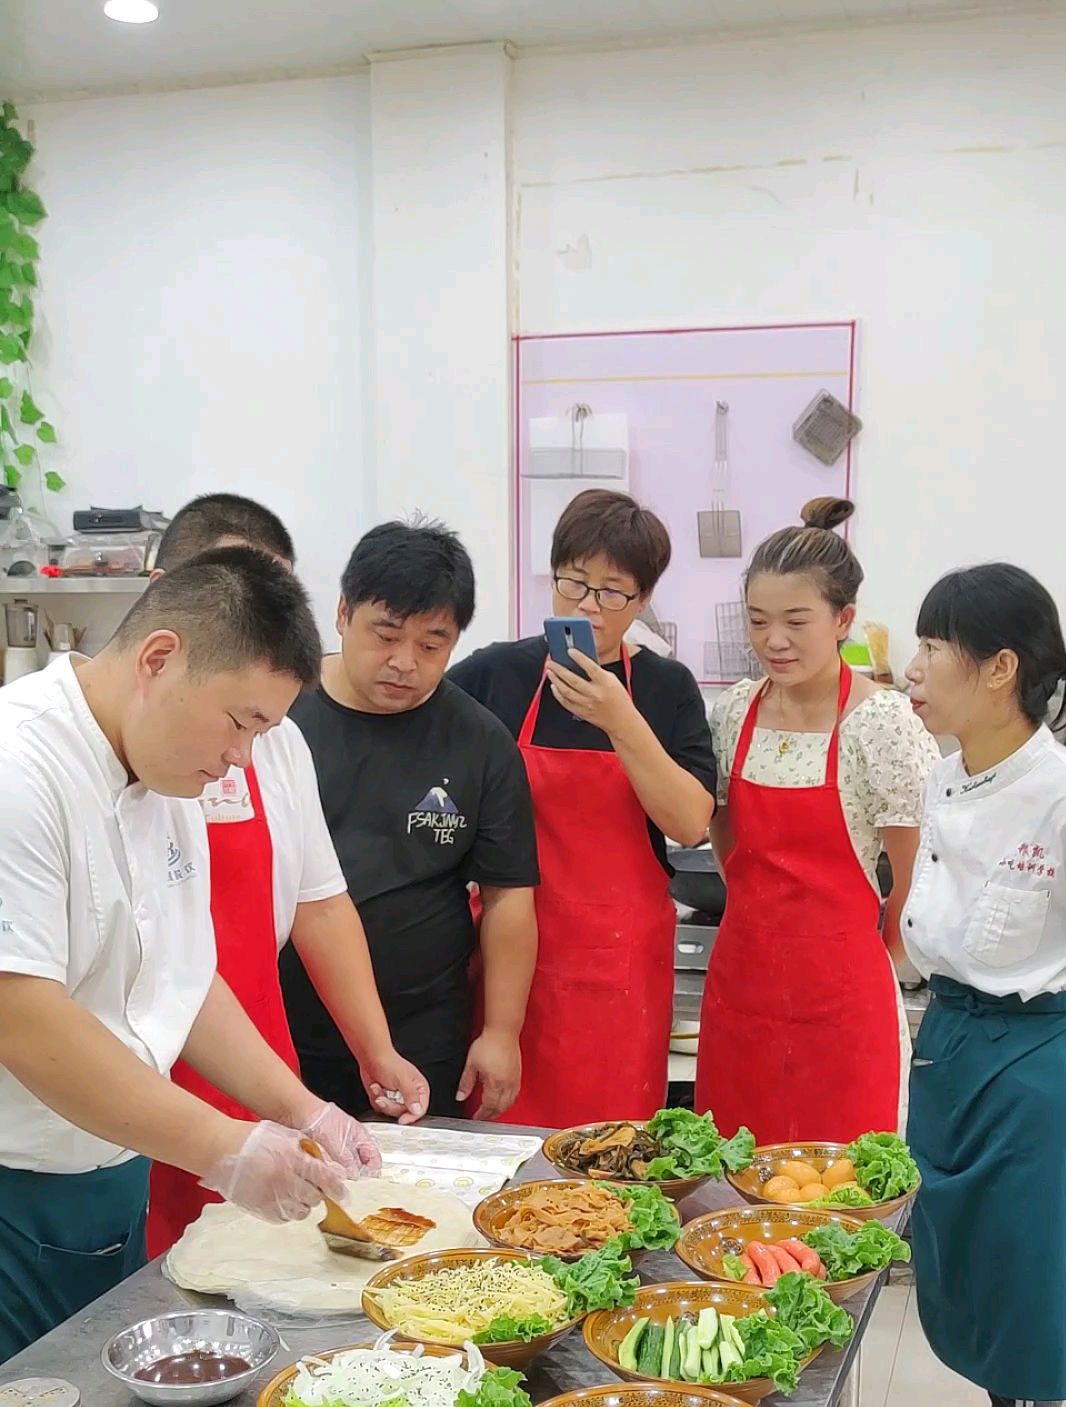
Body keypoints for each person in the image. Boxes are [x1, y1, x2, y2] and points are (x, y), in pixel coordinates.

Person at [0, 549, 378, 1365]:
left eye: (264, 733)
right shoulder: (18, 765)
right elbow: (22, 1018)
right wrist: (223, 1148)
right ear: (159, 659)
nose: (242, 759)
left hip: (111, 1169)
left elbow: (184, 977)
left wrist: (301, 1110)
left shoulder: (168, 777)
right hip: (14, 1191)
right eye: (240, 722)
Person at [144, 493, 427, 1260]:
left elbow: (320, 906)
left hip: (248, 1050)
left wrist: (373, 1052)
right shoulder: (111, 750)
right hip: (130, 1075)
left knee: (264, 1268)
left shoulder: (276, 743)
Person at [901, 563, 1066, 1407]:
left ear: (1000, 668)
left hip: (1041, 1054)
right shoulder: (949, 771)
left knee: (1027, 1302)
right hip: (956, 1041)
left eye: (934, 647)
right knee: (976, 1280)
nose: (913, 667)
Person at [449, 489, 715, 1126]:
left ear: (644, 599)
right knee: (505, 1165)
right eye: (574, 584)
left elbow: (689, 821)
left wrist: (620, 719)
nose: (589, 607)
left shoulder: (665, 687)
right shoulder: (496, 675)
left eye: (612, 592)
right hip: (509, 969)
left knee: (611, 1160)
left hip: (617, 982)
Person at [696, 497, 938, 1142]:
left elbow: (915, 867)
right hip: (741, 982)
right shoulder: (733, 712)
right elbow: (722, 829)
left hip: (843, 991)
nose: (773, 641)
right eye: (757, 621)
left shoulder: (880, 721)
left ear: (843, 620)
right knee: (730, 1182)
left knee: (840, 1186)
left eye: (795, 621)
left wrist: (881, 951)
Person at [280, 520, 539, 1121]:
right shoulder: (279, 715)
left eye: (431, 645)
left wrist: (502, 1032)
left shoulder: (479, 740)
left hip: (422, 1027)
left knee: (411, 1200)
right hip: (284, 1015)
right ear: (343, 613)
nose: (403, 663)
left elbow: (509, 897)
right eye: (386, 635)